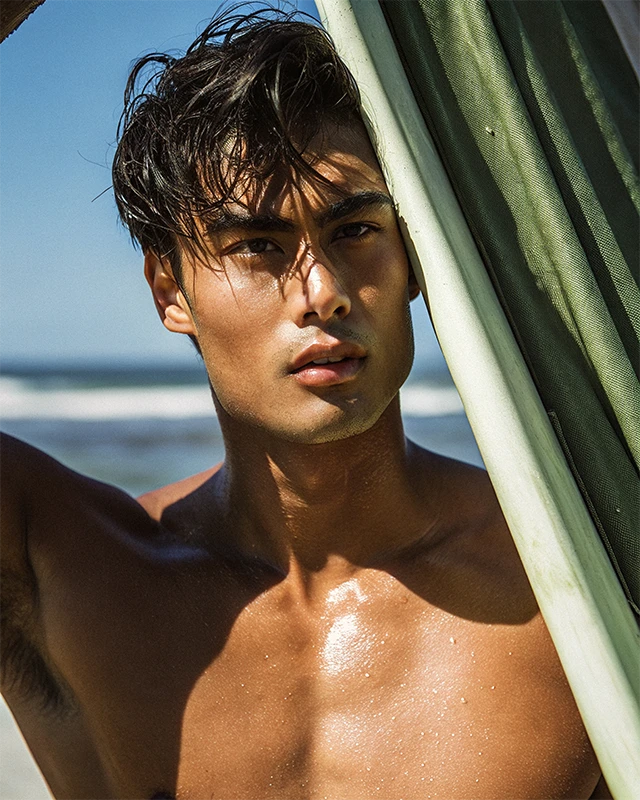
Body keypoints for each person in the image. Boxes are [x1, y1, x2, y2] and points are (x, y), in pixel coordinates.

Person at [0, 7, 613, 799]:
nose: (321, 292)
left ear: (415, 256)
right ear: (168, 290)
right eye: (256, 247)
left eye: (355, 229)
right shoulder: (75, 573)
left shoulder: (578, 581)